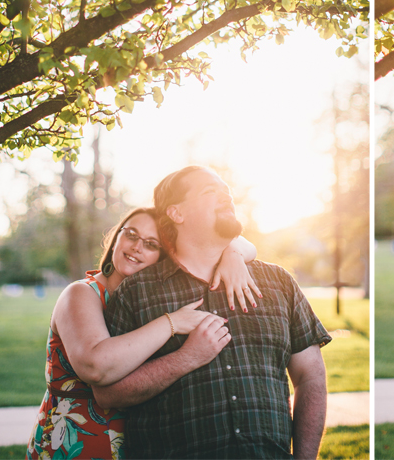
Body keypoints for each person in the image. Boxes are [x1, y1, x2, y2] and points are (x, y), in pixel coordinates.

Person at [96, 166, 332, 459]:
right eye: (211, 191)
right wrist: (185, 359)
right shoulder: (136, 292)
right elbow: (108, 393)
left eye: (227, 191)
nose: (227, 197)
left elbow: (310, 377)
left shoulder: (278, 282)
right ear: (176, 213)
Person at [26, 207, 259, 460]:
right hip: (72, 444)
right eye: (131, 235)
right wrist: (173, 323)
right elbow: (94, 366)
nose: (137, 247)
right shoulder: (81, 293)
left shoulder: (147, 304)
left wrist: (233, 255)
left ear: (163, 257)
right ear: (117, 237)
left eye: (151, 244)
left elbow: (239, 243)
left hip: (136, 445)